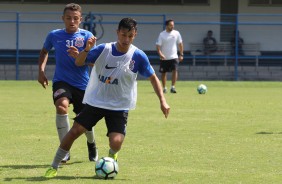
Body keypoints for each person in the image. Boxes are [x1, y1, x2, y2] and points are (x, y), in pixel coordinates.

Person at [44, 17, 170, 178]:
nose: (126, 39)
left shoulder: (138, 56)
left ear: (135, 35)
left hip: (119, 106)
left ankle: (112, 155)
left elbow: (153, 78)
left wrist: (163, 101)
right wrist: (87, 49)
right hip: (96, 101)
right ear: (117, 32)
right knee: (74, 131)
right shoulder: (103, 49)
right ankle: (54, 166)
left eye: (130, 36)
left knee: (116, 142)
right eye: (123, 34)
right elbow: (79, 62)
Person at [38, 3, 98, 164]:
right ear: (63, 19)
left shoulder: (87, 36)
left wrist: (80, 56)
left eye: (75, 18)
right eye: (69, 18)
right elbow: (44, 51)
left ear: (81, 19)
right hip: (61, 81)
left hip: (83, 85)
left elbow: (95, 63)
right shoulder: (54, 35)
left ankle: (92, 144)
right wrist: (41, 71)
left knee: (85, 121)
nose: (72, 21)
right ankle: (64, 150)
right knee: (61, 106)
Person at [156, 19, 184, 94]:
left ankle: (173, 87)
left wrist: (181, 54)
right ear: (167, 25)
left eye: (173, 25)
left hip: (174, 57)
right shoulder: (162, 34)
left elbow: (180, 44)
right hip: (164, 58)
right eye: (171, 25)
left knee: (175, 70)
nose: (172, 26)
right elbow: (158, 46)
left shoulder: (176, 33)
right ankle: (164, 88)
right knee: (164, 72)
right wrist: (161, 54)